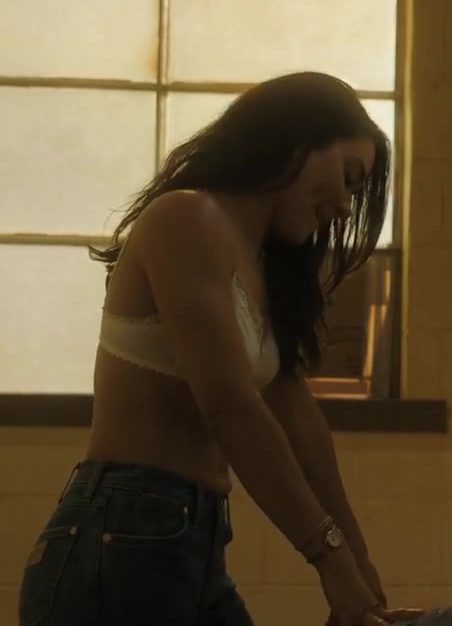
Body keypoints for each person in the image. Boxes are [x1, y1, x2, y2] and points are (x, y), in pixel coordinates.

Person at [18, 72, 424, 626]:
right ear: (296, 140)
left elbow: (299, 421)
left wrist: (358, 562)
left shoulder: (266, 267)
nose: (345, 207)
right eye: (348, 178)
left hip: (191, 539)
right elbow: (232, 408)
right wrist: (330, 561)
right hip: (122, 533)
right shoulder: (186, 218)